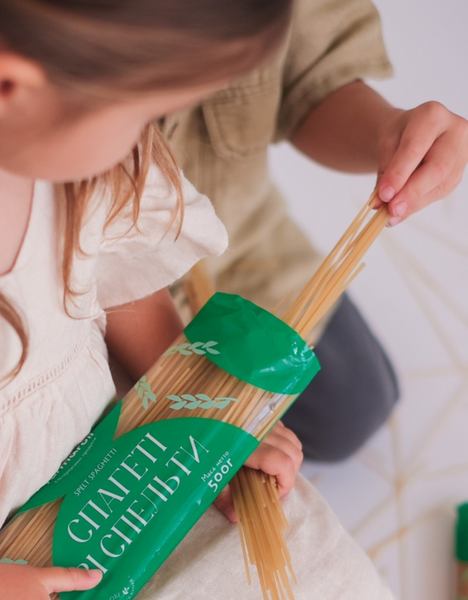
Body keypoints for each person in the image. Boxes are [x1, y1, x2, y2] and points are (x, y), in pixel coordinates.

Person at [0, 1, 395, 599]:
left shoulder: (54, 159)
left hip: (115, 462)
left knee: (318, 572)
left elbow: (119, 285)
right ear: (0, 86)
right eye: (144, 111)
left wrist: (197, 423)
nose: (159, 131)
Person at [164, 0, 468, 462]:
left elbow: (310, 75)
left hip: (243, 247)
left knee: (353, 409)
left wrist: (391, 132)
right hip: (95, 298)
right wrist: (185, 396)